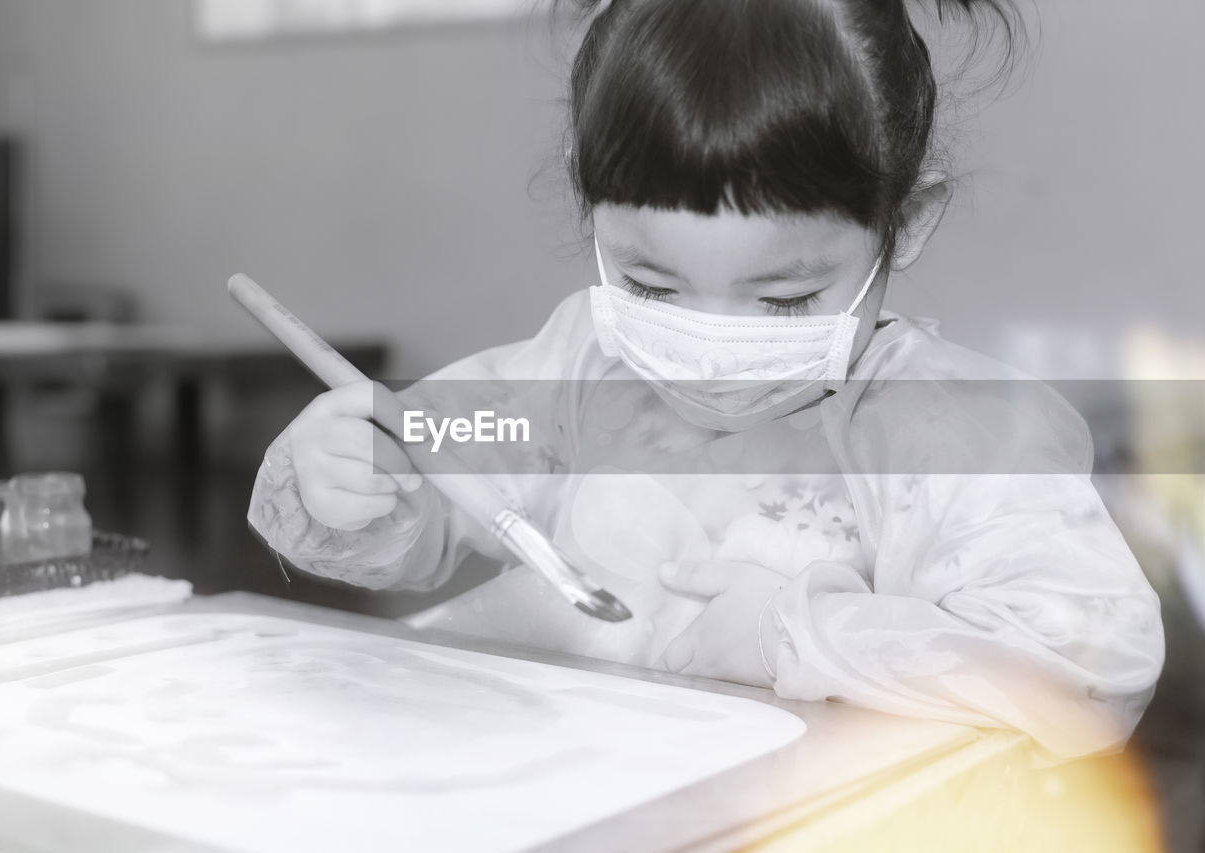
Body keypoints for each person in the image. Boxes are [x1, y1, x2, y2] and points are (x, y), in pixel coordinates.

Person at [248, 0, 1163, 759]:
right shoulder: (574, 376)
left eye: (784, 298)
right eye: (651, 284)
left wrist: (797, 634)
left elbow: (1088, 670)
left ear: (906, 222)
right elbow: (454, 454)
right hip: (559, 790)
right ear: (590, 207)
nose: (710, 346)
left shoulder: (953, 433)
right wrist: (365, 480)